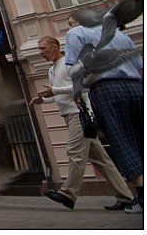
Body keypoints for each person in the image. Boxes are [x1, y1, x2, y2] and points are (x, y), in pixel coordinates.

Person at [29, 35, 133, 211]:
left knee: (74, 151)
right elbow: (59, 95)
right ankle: (126, 197)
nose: (40, 52)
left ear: (55, 46)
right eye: (39, 49)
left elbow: (83, 86)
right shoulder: (51, 70)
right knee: (102, 160)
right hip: (68, 115)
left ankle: (68, 194)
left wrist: (55, 90)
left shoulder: (70, 64)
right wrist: (43, 101)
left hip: (80, 114)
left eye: (43, 48)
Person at [65, 13, 143, 214]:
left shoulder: (76, 33)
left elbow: (76, 69)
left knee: (122, 140)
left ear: (76, 21)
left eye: (69, 23)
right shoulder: (119, 34)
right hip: (135, 87)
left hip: (106, 89)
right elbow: (139, 66)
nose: (69, 26)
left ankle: (143, 197)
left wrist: (77, 94)